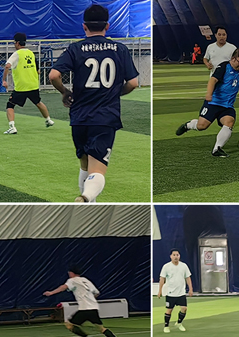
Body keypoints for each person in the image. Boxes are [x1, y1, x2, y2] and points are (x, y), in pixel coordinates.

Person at [49, 5, 139, 203]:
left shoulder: (75, 48)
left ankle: (89, 203)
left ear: (84, 26)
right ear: (107, 26)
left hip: (79, 116)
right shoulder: (120, 49)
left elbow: (54, 75)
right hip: (105, 116)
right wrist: (116, 92)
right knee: (97, 169)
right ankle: (86, 197)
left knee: (84, 164)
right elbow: (133, 83)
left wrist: (65, 92)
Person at [175, 48, 239, 157]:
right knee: (202, 126)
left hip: (227, 106)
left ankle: (217, 149)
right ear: (233, 58)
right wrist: (209, 94)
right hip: (213, 103)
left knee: (229, 122)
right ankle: (188, 125)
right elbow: (213, 80)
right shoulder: (224, 67)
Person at [43, 264, 124, 337]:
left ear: (71, 273)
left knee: (69, 324)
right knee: (101, 329)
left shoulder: (72, 280)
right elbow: (97, 293)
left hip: (84, 309)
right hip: (94, 309)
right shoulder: (86, 280)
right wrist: (90, 299)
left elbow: (63, 287)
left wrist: (51, 292)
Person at [2, 32, 54, 134]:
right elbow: (38, 71)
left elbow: (7, 66)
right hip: (33, 85)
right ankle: (48, 120)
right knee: (38, 102)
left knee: (10, 105)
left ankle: (12, 127)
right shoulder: (31, 53)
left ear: (17, 43)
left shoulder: (16, 54)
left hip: (22, 87)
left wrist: (4, 80)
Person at [158, 248, 193, 333]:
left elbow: (188, 278)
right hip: (171, 293)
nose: (176, 257)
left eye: (177, 255)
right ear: (171, 256)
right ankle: (166, 326)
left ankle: (179, 323)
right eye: (174, 255)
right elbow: (162, 279)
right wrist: (160, 291)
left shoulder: (184, 266)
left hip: (181, 293)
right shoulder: (166, 267)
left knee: (184, 308)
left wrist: (190, 289)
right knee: (169, 310)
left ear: (179, 256)